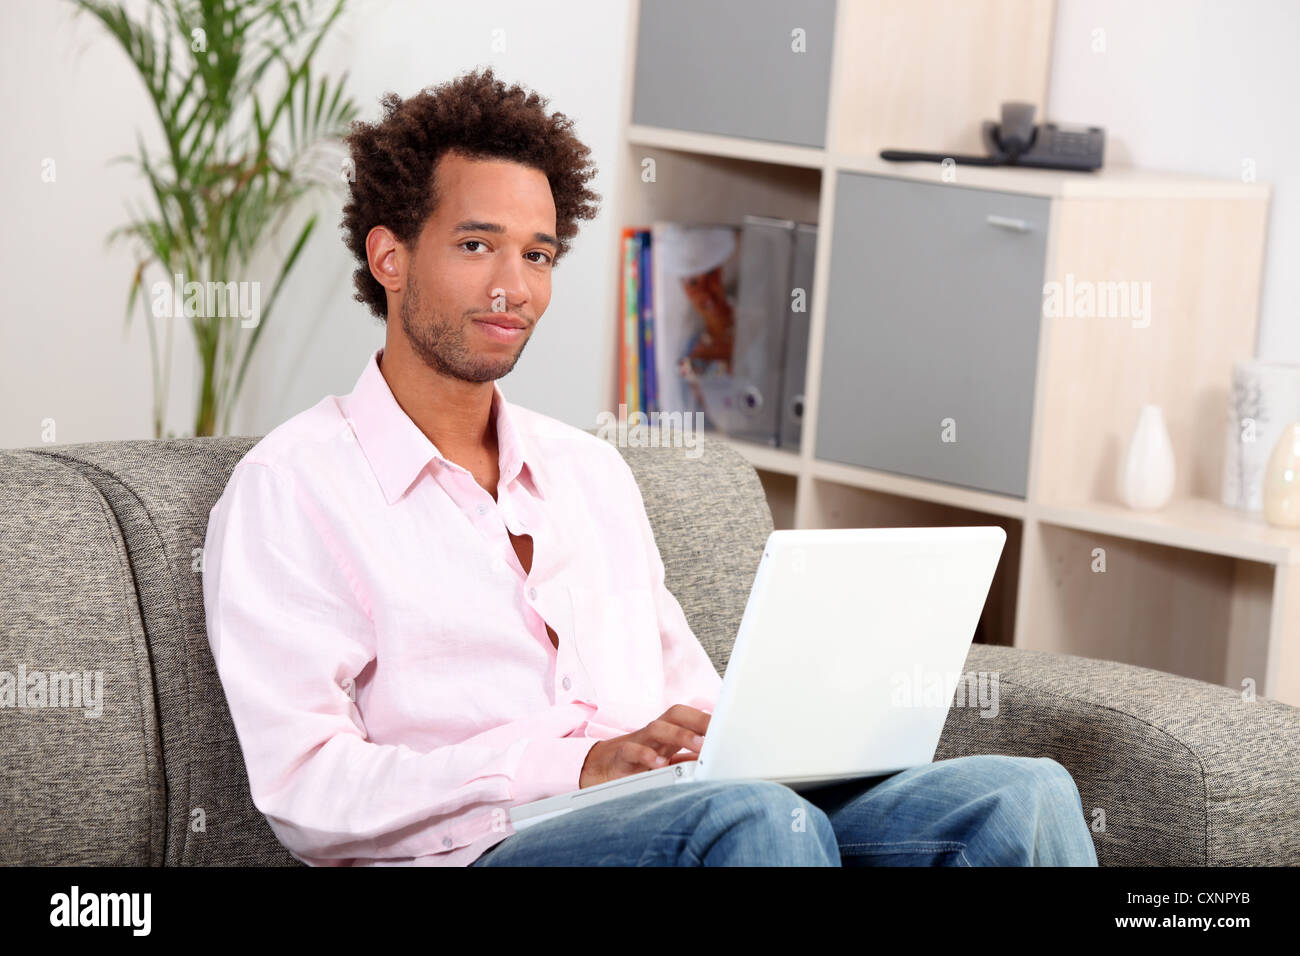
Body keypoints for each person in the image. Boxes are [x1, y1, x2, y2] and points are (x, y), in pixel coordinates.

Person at [202, 67, 1098, 867]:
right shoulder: (295, 489)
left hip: (677, 813)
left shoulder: (589, 475)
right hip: (487, 847)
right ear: (389, 256)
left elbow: (694, 701)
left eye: (538, 253)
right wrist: (572, 764)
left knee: (1022, 798)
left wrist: (753, 740)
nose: (514, 286)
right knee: (759, 824)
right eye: (476, 246)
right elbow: (309, 794)